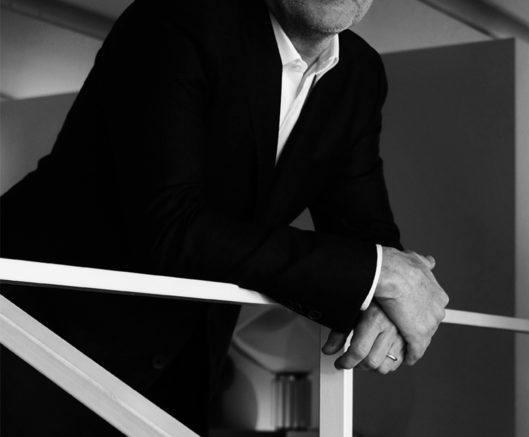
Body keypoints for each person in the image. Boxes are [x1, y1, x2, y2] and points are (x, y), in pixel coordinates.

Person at [0, 0, 448, 435]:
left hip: (182, 361)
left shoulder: (360, 72)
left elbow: (364, 229)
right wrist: (379, 276)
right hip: (35, 325)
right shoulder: (174, 18)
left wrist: (386, 296)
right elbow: (170, 228)